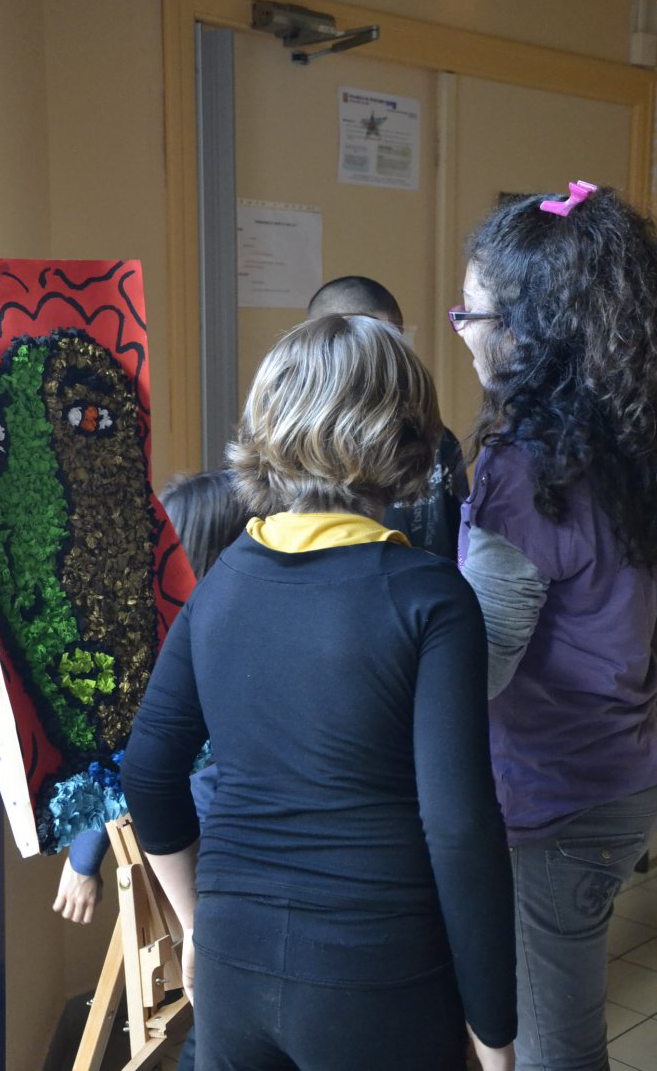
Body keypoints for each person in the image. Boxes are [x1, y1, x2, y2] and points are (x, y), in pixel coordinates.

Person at [121, 314, 516, 1071]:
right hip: (379, 976)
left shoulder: (224, 580)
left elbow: (147, 769)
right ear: (406, 432)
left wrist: (197, 924)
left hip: (234, 966)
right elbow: (461, 830)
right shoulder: (429, 599)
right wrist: (495, 1036)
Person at [454, 181, 657, 1069]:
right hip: (623, 767)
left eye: (472, 312)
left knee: (552, 1046)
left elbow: (485, 662)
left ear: (530, 328)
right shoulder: (633, 427)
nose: (460, 332)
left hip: (553, 797)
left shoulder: (525, 465)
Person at [51, 468, 246, 924]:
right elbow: (125, 755)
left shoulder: (189, 636)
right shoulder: (187, 652)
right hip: (214, 867)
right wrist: (83, 858)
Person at [307, 275, 469, 560]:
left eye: (389, 345)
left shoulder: (434, 440)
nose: (378, 362)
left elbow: (458, 549)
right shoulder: (289, 442)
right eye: (355, 344)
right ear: (313, 344)